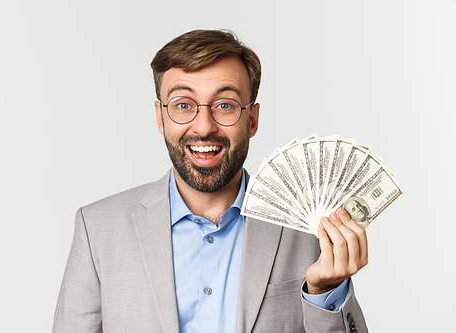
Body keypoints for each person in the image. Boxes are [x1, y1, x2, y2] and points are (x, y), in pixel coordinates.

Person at [53, 29, 369, 333]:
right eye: (183, 105)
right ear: (160, 118)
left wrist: (324, 291)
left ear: (252, 119)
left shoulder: (309, 231)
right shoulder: (96, 229)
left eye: (225, 105)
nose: (203, 127)